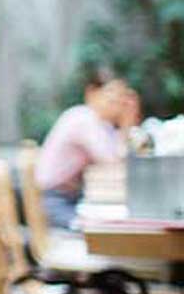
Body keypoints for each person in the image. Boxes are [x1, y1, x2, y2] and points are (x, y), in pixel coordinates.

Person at [35, 68, 134, 228]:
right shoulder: (83, 119)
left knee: (113, 223)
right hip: (54, 202)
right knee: (101, 230)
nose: (116, 105)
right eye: (111, 97)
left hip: (71, 198)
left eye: (120, 100)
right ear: (91, 93)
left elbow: (121, 158)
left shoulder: (102, 125)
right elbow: (113, 162)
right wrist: (126, 124)